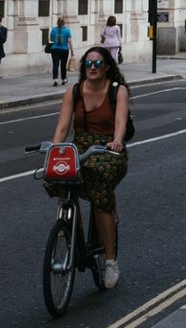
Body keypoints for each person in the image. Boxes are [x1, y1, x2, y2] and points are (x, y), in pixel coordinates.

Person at [48, 46, 129, 289]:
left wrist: (116, 141)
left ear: (106, 67)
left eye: (97, 63)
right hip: (81, 147)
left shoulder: (118, 91)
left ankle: (111, 261)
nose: (92, 68)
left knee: (99, 189)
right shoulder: (73, 91)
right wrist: (55, 149)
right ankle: (72, 227)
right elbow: (63, 127)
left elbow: (120, 122)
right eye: (88, 64)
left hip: (108, 149)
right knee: (58, 175)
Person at [49, 16, 73, 86]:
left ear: (57, 22)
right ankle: (64, 79)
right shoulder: (67, 30)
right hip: (64, 50)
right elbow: (70, 42)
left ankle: (55, 80)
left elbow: (50, 39)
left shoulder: (53, 30)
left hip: (54, 49)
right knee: (63, 65)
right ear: (64, 23)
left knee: (55, 65)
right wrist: (72, 51)